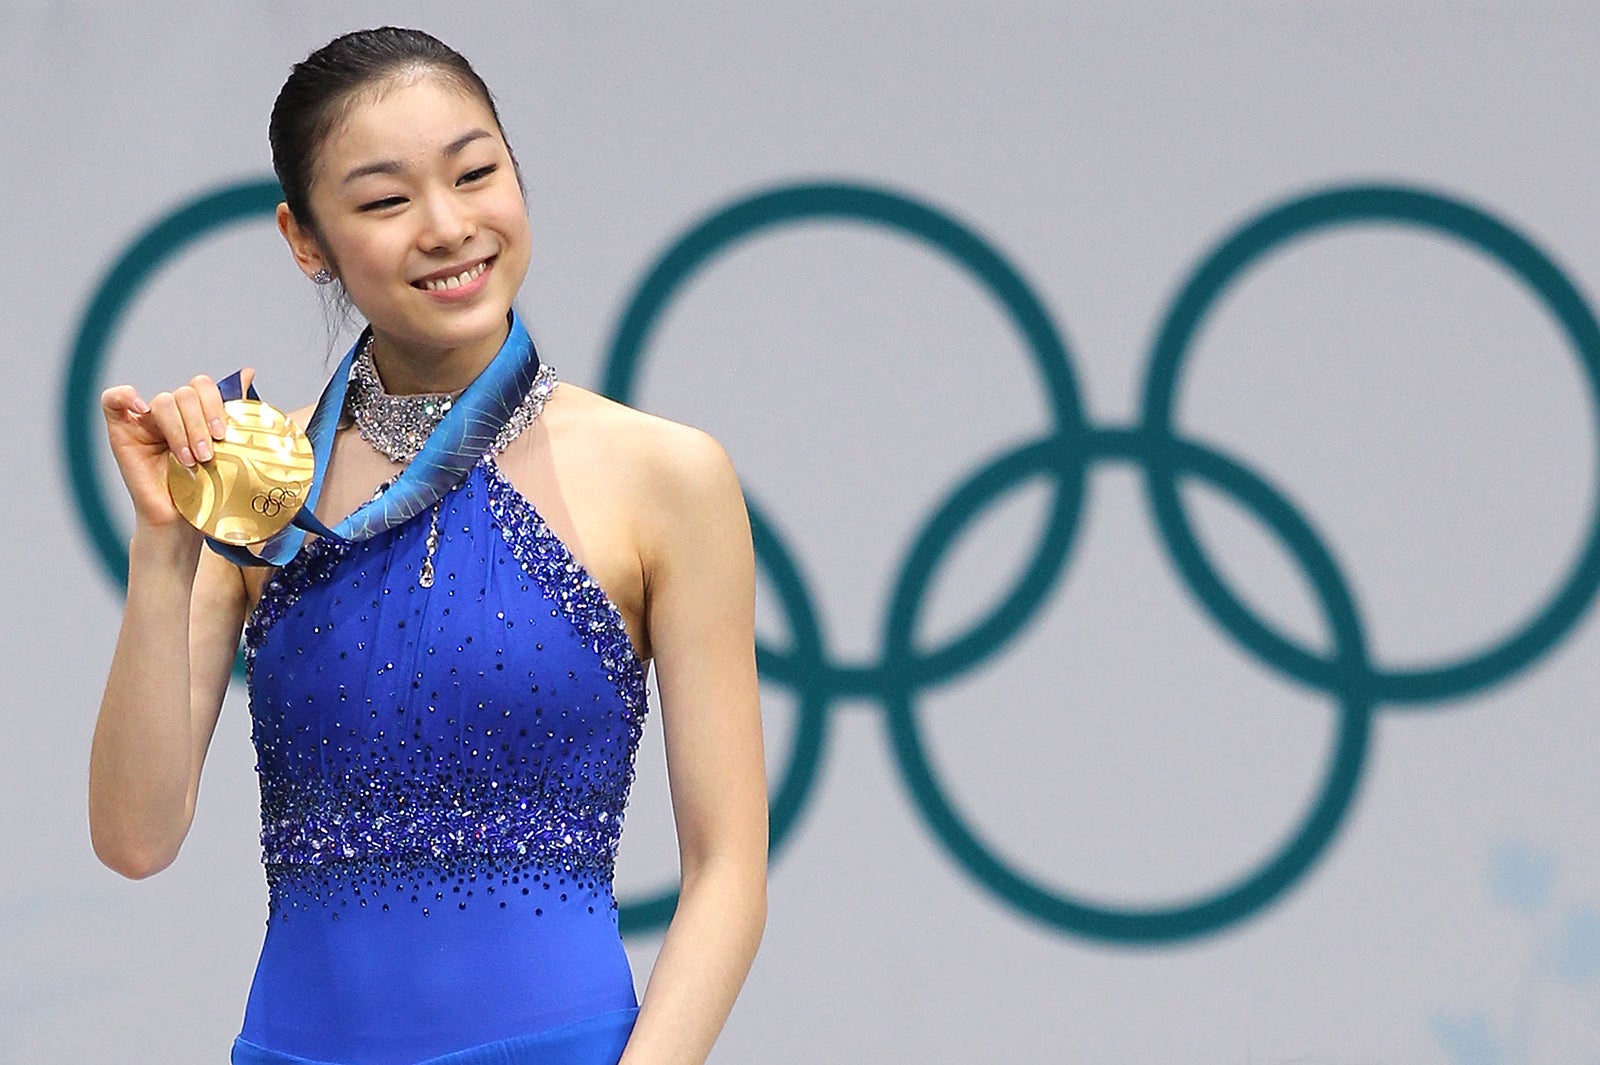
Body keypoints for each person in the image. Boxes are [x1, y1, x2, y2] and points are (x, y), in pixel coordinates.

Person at [88, 26, 767, 1065]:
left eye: (475, 173)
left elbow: (728, 870)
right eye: (384, 201)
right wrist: (163, 545)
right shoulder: (265, 487)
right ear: (304, 239)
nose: (448, 226)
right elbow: (134, 840)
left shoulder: (666, 476)